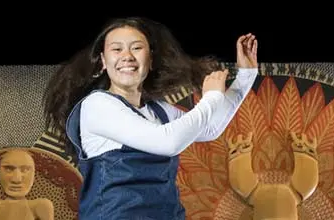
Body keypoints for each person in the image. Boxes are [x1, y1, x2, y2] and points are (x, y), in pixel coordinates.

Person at [42, 17, 258, 219]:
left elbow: (210, 129)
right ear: (103, 62)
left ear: (151, 59)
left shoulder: (158, 110)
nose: (127, 56)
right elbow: (168, 142)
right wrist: (211, 97)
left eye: (136, 48)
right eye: (117, 49)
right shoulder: (97, 105)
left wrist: (246, 75)